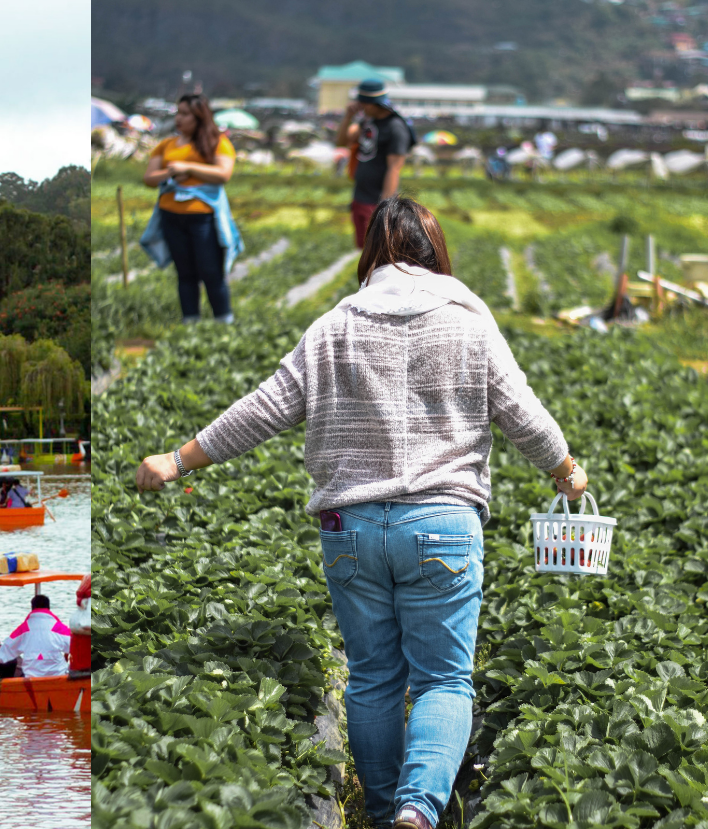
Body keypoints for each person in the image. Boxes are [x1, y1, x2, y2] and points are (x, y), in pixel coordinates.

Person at [134, 196, 588, 829]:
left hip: (350, 530)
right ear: (436, 252)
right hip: (443, 526)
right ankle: (418, 812)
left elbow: (260, 411)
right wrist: (568, 473)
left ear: (371, 253)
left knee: (374, 678)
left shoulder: (334, 327)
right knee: (443, 682)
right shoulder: (469, 323)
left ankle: (380, 815)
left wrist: (175, 461)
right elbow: (527, 418)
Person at [140, 93, 244, 324]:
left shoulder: (218, 143)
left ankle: (223, 321)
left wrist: (189, 167)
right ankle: (190, 322)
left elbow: (223, 174)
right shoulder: (165, 145)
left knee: (210, 271)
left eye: (185, 114)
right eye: (178, 113)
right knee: (185, 272)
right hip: (171, 216)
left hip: (203, 217)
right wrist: (171, 172)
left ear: (199, 117)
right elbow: (149, 177)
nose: (179, 118)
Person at [335, 79, 415, 249]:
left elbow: (394, 168)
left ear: (374, 104)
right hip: (360, 197)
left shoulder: (395, 127)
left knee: (377, 254)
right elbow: (342, 141)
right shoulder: (367, 121)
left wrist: (384, 210)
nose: (360, 107)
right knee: (364, 250)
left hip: (376, 202)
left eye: (363, 103)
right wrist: (348, 116)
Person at [0, 595, 71, 678]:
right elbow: (76, 645)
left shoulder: (24, 628)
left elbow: (7, 649)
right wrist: (66, 653)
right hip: (57, 675)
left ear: (32, 608)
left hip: (31, 677)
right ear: (48, 608)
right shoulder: (59, 627)